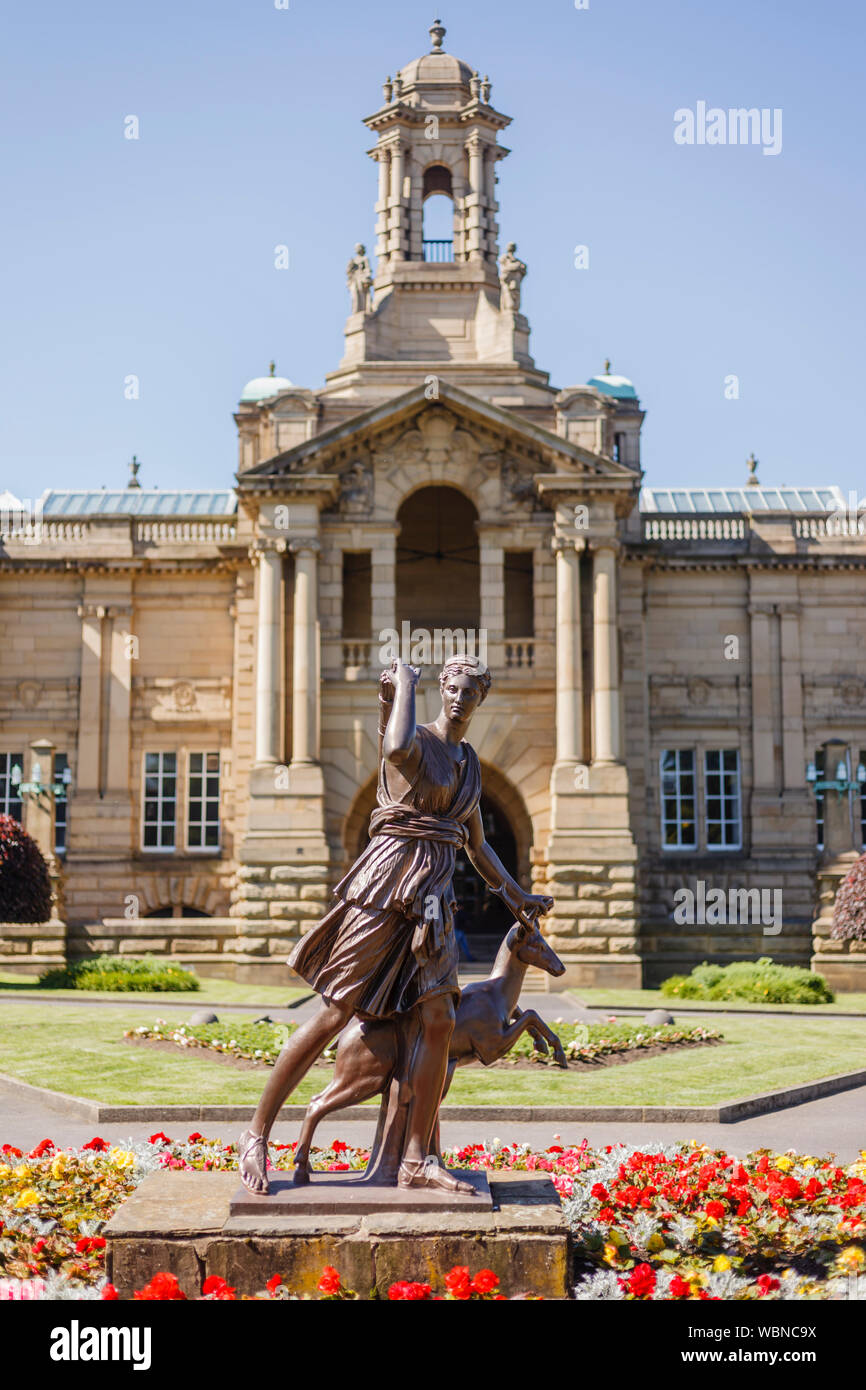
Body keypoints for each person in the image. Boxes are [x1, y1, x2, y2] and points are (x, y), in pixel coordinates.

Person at [238, 654, 552, 1195]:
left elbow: (477, 846)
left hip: (434, 899)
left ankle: (415, 1161)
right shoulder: (411, 737)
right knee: (335, 1011)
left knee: (438, 1020)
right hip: (385, 885)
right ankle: (256, 1134)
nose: (458, 698)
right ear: (439, 690)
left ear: (481, 699)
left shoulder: (469, 764)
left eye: (470, 692)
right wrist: (403, 684)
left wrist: (519, 897)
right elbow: (395, 748)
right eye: (450, 688)